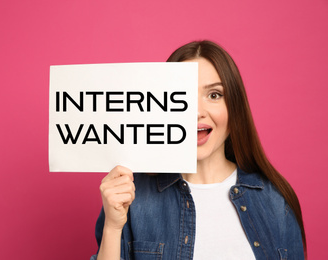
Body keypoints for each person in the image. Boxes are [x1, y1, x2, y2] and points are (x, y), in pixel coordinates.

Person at [90, 40, 306, 260]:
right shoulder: (132, 197)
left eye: (214, 95)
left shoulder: (274, 200)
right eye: (181, 96)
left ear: (234, 108)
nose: (196, 112)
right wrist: (112, 228)